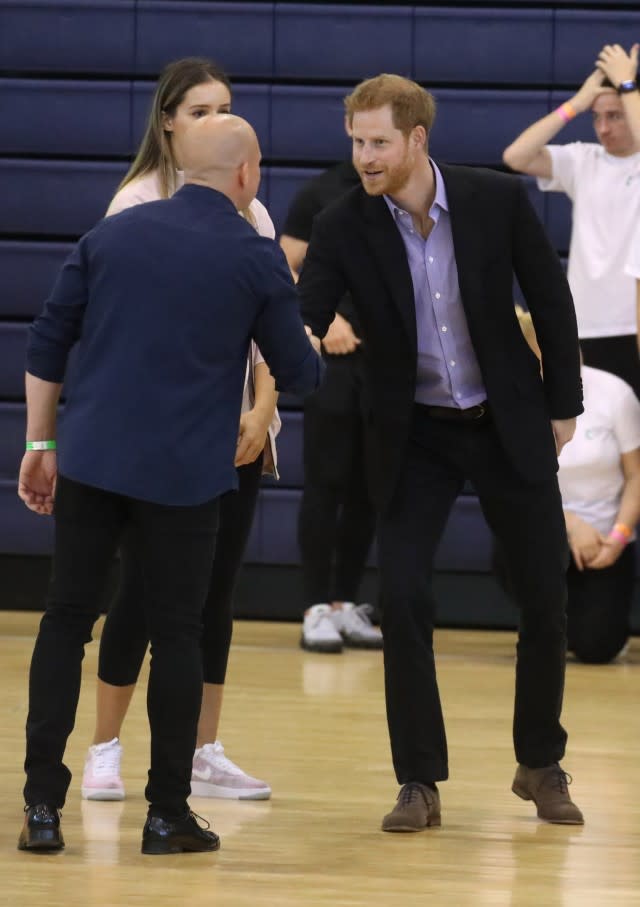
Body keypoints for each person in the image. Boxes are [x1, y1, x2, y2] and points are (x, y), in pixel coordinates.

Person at [17, 114, 322, 854]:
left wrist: (40, 440)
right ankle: (165, 814)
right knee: (178, 633)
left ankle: (41, 809)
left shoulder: (110, 235)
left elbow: (49, 337)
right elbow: (303, 376)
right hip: (185, 474)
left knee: (65, 620)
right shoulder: (255, 258)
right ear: (247, 175)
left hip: (91, 457)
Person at [298, 73, 585, 832]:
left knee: (546, 593)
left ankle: (540, 761)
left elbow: (550, 299)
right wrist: (281, 350)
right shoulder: (341, 225)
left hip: (503, 417)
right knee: (403, 597)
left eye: (379, 142)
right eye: (356, 141)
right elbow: (304, 313)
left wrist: (564, 404)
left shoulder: (493, 200)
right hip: (412, 430)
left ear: (417, 139)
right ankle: (419, 780)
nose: (364, 156)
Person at [81, 58, 278, 803]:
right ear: (167, 121)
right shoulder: (134, 203)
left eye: (225, 107)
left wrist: (262, 411)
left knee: (214, 595)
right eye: (200, 109)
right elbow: (112, 328)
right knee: (141, 590)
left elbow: (273, 331)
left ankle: (204, 749)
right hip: (155, 438)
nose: (215, 119)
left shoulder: (250, 207)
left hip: (233, 436)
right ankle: (103, 746)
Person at [497, 310, 640, 663]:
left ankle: (574, 618)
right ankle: (548, 618)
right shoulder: (512, 401)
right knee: (515, 546)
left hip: (605, 544)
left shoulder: (613, 393)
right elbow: (512, 491)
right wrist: (571, 526)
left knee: (597, 648)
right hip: (544, 533)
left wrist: (618, 536)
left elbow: (637, 475)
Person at [280, 161, 381, 654]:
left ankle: (345, 603)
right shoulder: (321, 192)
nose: (370, 151)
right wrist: (328, 318)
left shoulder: (412, 193)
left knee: (369, 485)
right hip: (336, 361)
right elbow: (285, 262)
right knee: (326, 482)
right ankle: (314, 606)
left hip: (389, 363)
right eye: (363, 137)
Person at [503, 43, 640, 396]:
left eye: (615, 115)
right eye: (597, 117)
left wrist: (628, 84)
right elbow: (516, 156)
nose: (604, 128)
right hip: (586, 325)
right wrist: (576, 105)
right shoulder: (585, 160)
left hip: (631, 323)